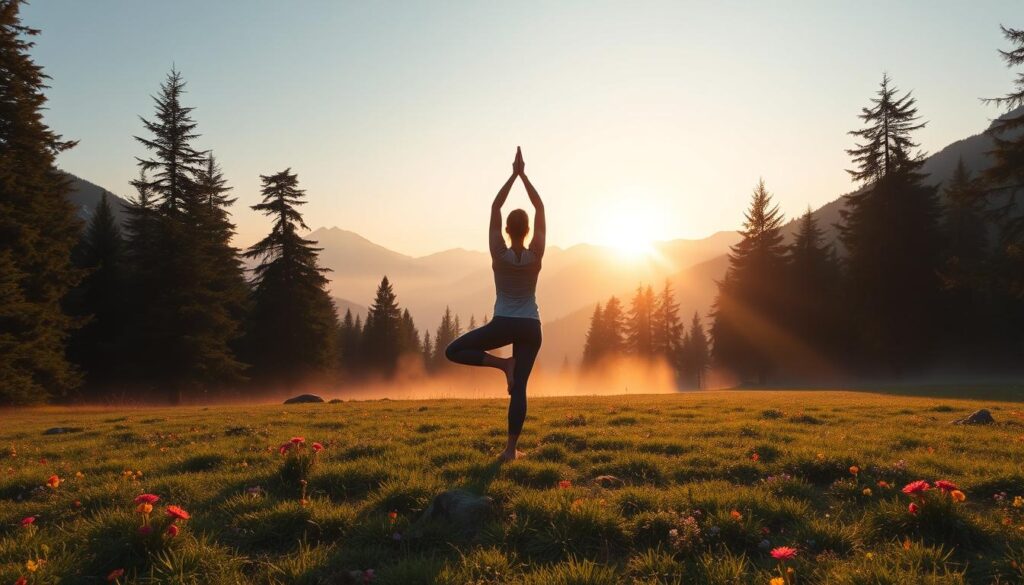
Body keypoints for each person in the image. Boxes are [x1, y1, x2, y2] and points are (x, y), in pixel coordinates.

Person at [445, 147, 544, 461]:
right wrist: (524, 177)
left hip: (503, 322)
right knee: (521, 388)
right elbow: (540, 207)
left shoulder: (498, 253)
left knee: (453, 350)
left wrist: (512, 176)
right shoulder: (536, 254)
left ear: (506, 231)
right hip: (531, 326)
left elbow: (495, 206)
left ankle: (503, 365)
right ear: (528, 231)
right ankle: (511, 450)